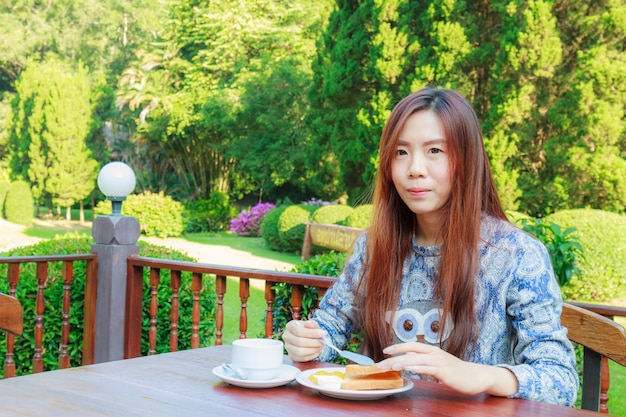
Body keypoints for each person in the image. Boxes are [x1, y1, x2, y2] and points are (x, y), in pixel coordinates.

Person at [282, 86, 578, 406]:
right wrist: (309, 341)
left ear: (466, 159)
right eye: (401, 152)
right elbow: (329, 329)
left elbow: (560, 379)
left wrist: (481, 375)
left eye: (435, 150)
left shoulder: (517, 255)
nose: (415, 169)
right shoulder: (373, 247)